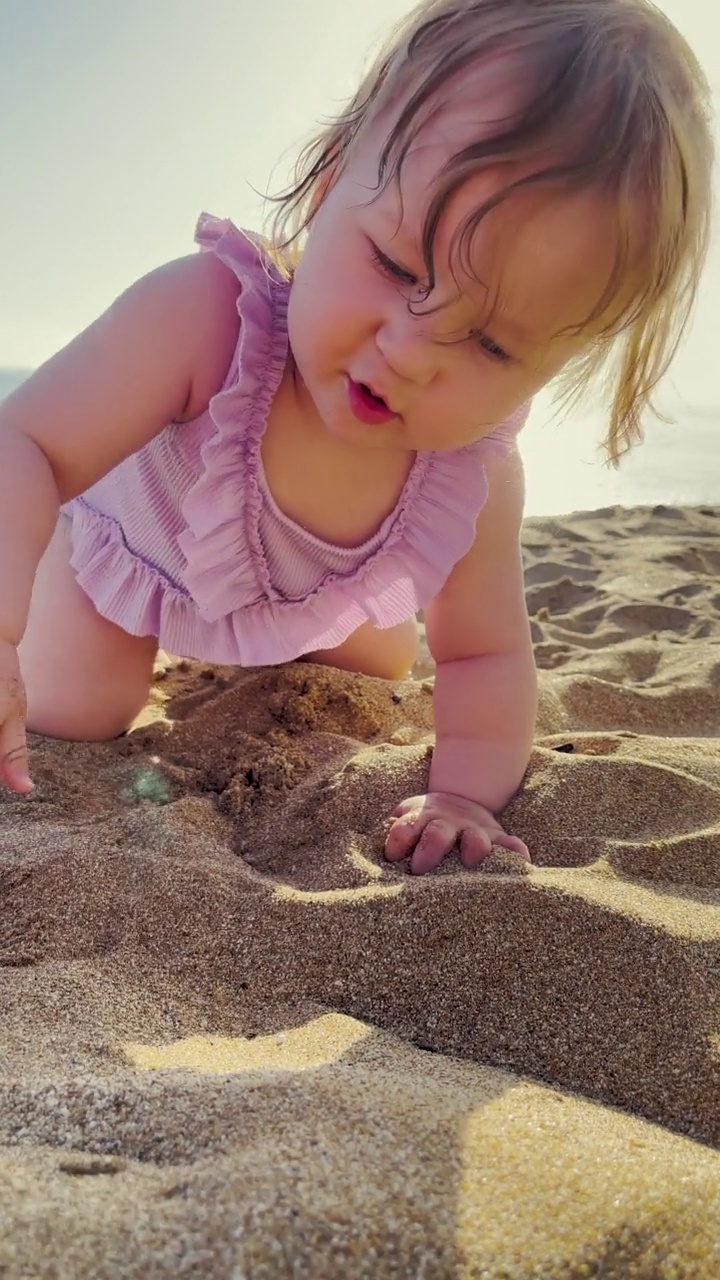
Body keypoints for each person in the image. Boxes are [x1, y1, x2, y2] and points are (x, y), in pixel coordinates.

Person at [0, 0, 712, 873]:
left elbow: (484, 653)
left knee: (373, 676)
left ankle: (266, 641)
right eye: (397, 265)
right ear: (332, 185)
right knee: (76, 707)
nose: (409, 353)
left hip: (302, 596)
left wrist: (461, 793)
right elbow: (25, 444)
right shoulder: (203, 319)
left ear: (553, 366)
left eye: (490, 343)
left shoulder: (473, 467)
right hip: (128, 554)